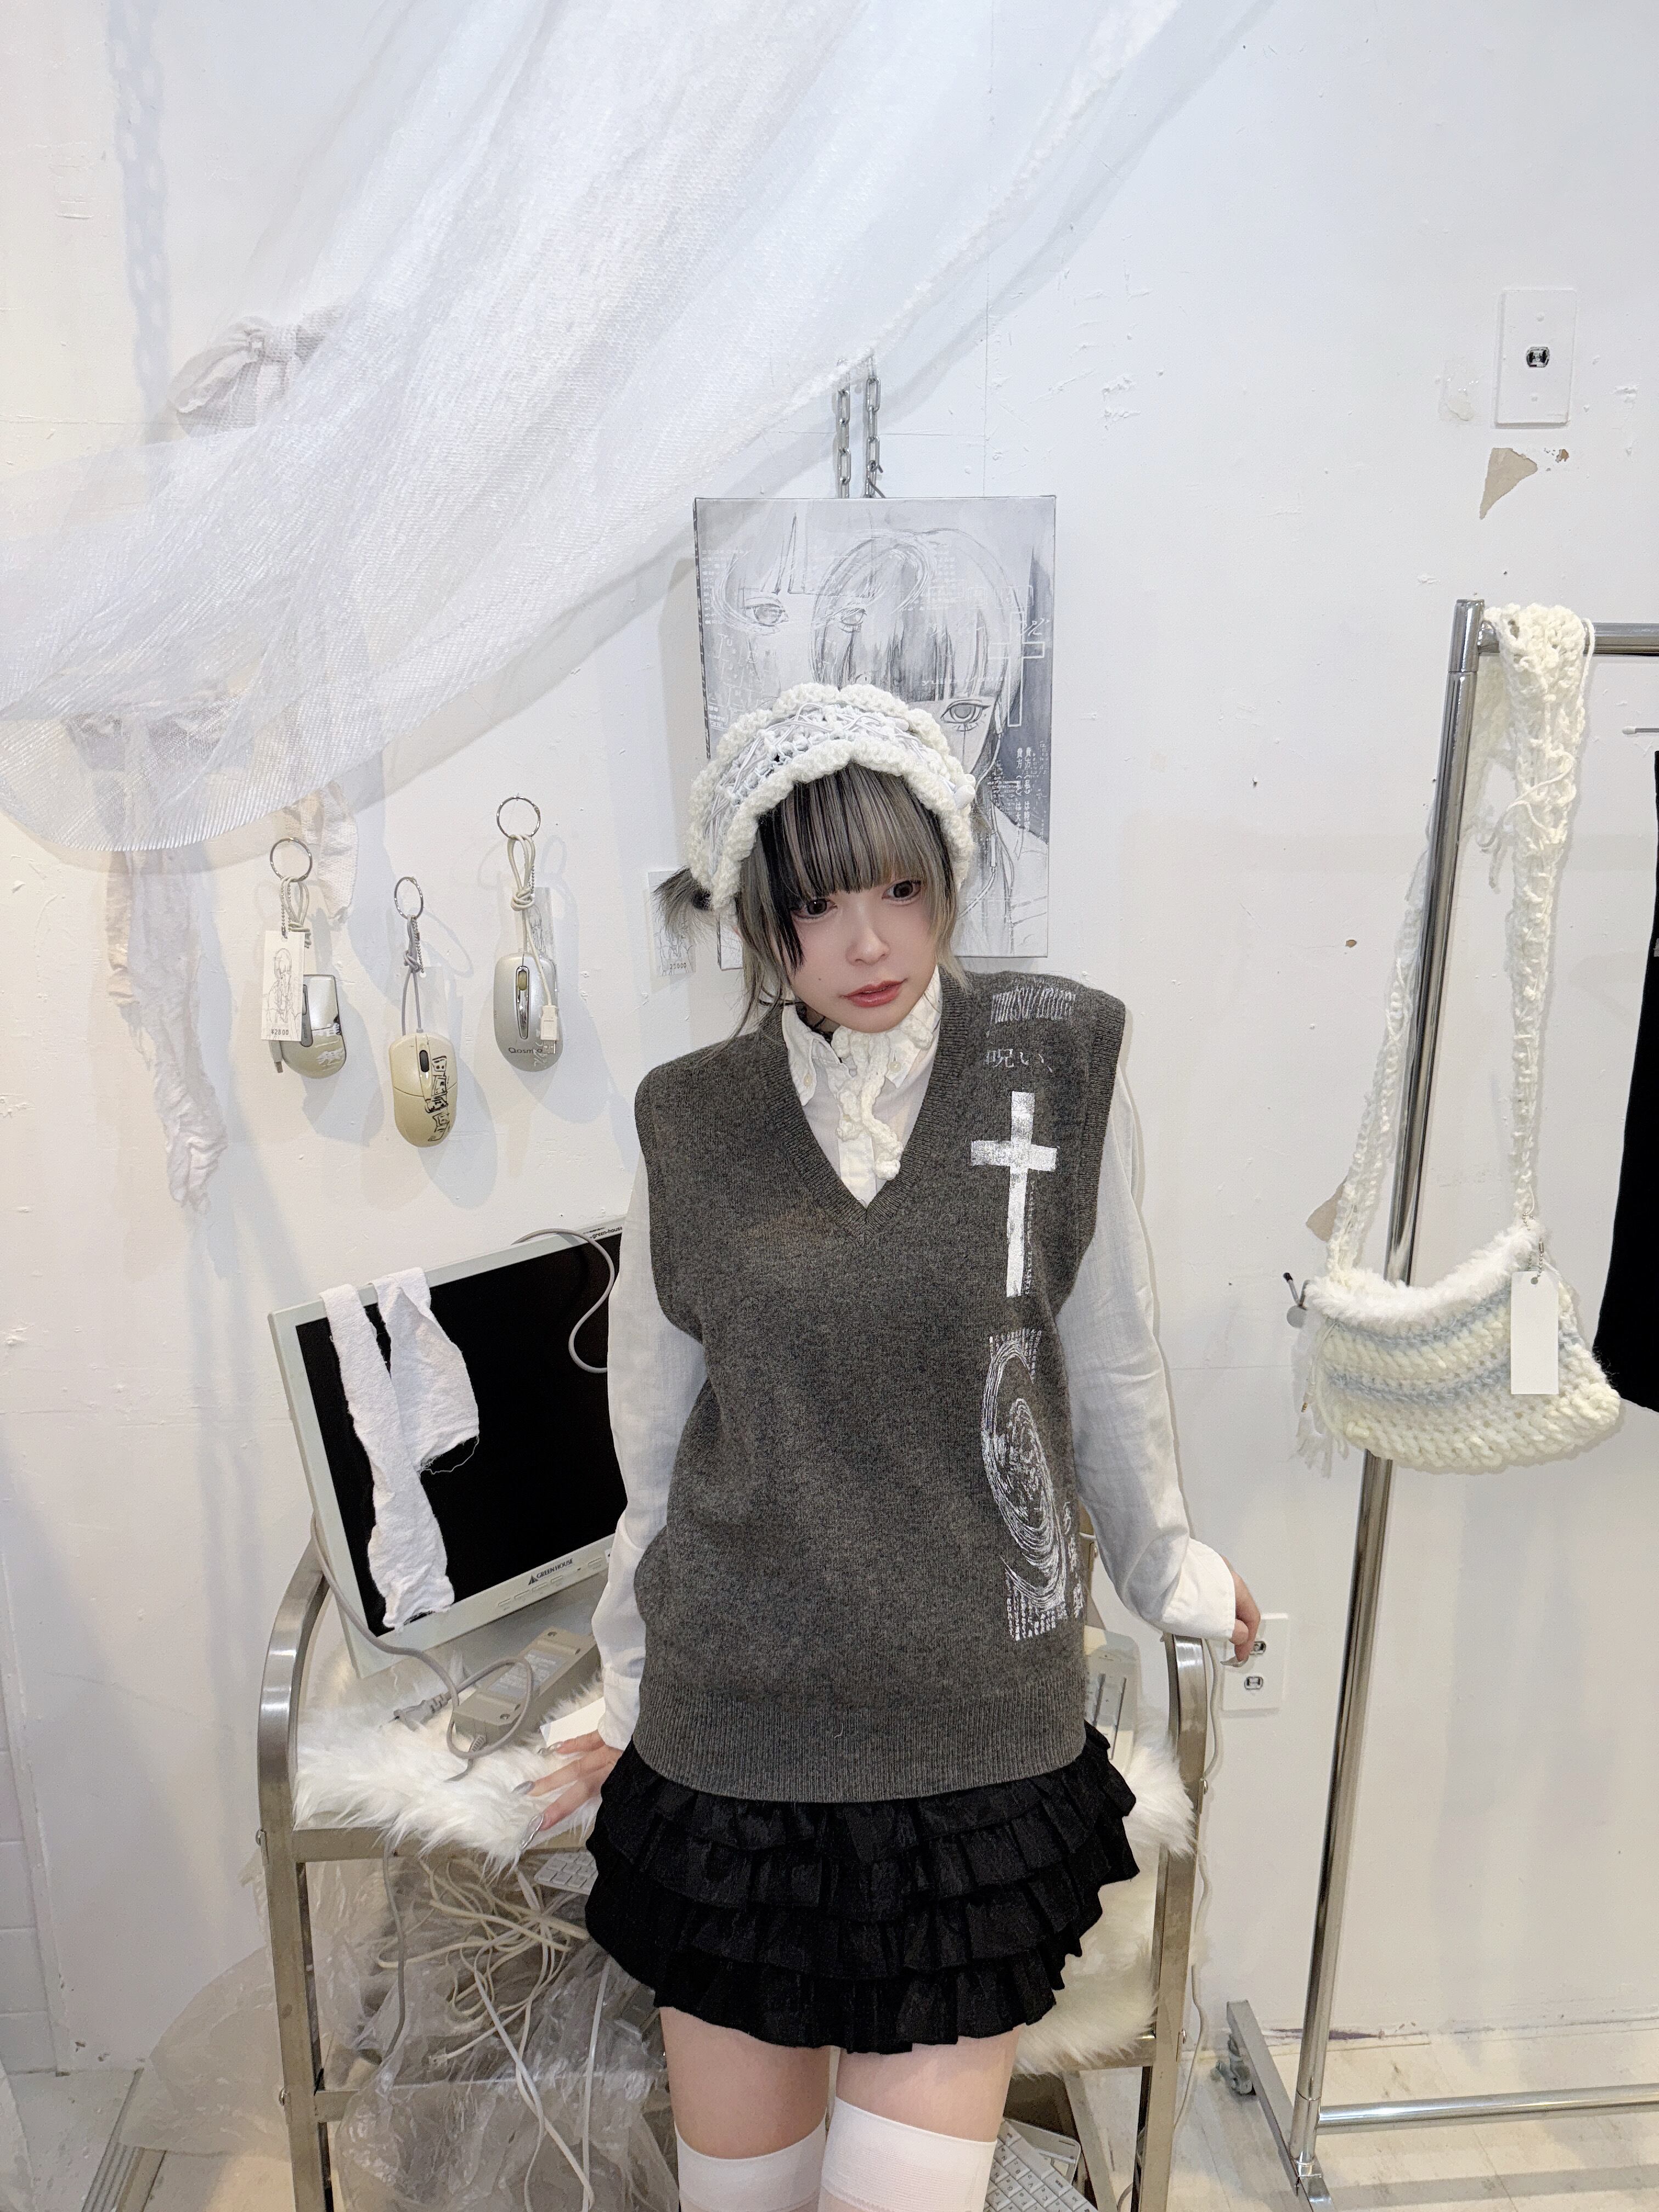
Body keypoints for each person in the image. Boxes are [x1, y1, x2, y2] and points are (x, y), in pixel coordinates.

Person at [531, 682, 1258, 2212]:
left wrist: (1165, 1566)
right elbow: (652, 1448)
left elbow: (1109, 1354)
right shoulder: (691, 1118)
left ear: (948, 881)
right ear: (761, 922)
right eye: (818, 906)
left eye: (901, 891)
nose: (867, 943)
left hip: (970, 1733)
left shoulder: (1059, 1061)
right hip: (737, 1740)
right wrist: (627, 1690)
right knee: (745, 2199)